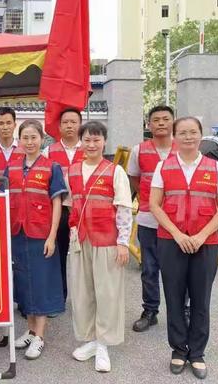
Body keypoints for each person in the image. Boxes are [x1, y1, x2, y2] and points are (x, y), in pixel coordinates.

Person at [149, 116, 218, 380]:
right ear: (174, 136)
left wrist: (201, 235)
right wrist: (177, 234)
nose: (188, 137)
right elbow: (155, 205)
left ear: (200, 135)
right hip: (171, 242)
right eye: (182, 132)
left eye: (193, 132)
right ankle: (178, 349)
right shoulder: (164, 166)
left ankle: (197, 353)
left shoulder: (214, 168)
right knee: (173, 298)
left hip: (205, 244)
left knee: (200, 300)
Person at [68, 121, 133, 373]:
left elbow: (125, 209)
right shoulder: (72, 170)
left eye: (96, 140)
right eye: (87, 139)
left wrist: (123, 243)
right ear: (81, 142)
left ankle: (104, 344)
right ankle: (91, 340)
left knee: (107, 293)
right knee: (83, 292)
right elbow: (70, 206)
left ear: (104, 142)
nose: (91, 144)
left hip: (107, 239)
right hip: (80, 240)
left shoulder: (115, 171)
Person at [6, 119, 67, 360]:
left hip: (41, 233)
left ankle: (40, 336)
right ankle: (30, 330)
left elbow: (57, 203)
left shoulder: (52, 167)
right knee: (23, 282)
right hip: (17, 232)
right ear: (19, 140)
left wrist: (52, 236)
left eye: (34, 137)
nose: (29, 142)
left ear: (42, 140)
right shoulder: (11, 168)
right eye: (25, 137)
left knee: (40, 283)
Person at [128, 105, 177, 332]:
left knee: (179, 267)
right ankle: (150, 311)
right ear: (148, 124)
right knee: (149, 267)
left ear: (172, 122)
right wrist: (148, 198)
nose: (160, 123)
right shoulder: (140, 150)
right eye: (155, 119)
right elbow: (134, 178)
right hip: (149, 217)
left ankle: (181, 310)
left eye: (165, 119)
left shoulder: (184, 148)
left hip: (178, 219)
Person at [42, 107, 85, 302]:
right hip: (58, 210)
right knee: (57, 253)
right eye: (65, 122)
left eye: (73, 122)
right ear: (59, 127)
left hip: (83, 210)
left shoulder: (89, 148)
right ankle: (59, 296)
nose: (69, 126)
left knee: (84, 255)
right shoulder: (48, 151)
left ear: (80, 125)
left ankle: (85, 298)